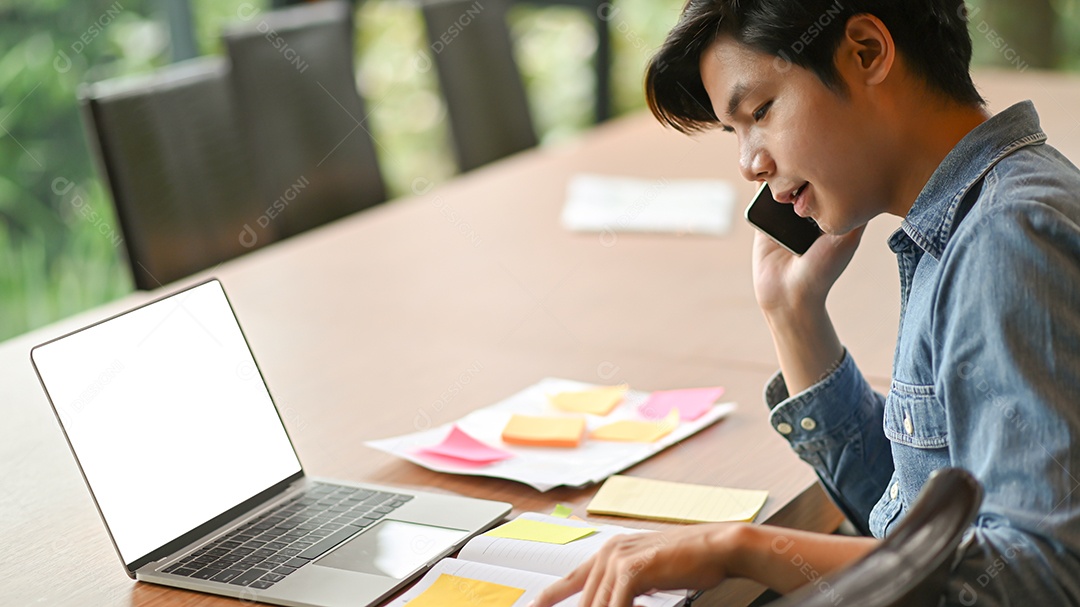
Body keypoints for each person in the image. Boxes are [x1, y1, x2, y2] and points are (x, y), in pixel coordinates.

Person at [531, 0, 1080, 606]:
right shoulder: (965, 226)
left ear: (867, 52)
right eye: (734, 132)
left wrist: (744, 549)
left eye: (760, 111)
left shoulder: (1006, 238)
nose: (748, 164)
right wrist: (792, 313)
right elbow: (907, 522)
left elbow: (1038, 578)